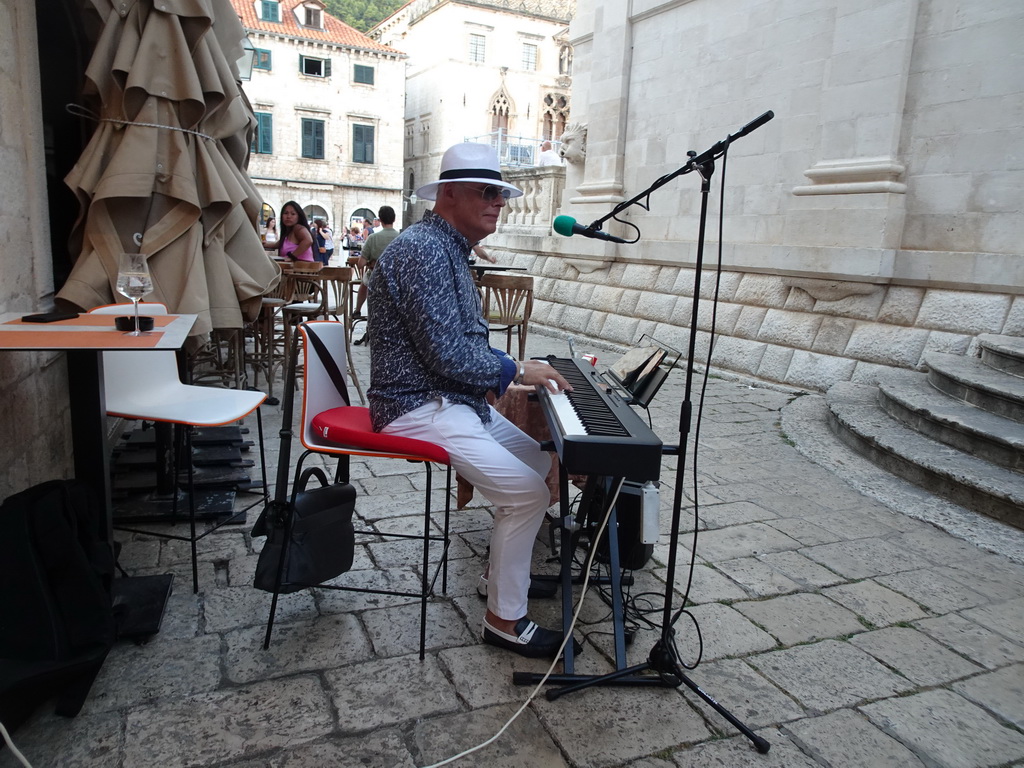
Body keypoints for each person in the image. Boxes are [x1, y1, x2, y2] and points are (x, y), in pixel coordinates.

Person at [366, 143, 577, 659]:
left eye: (500, 194)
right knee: (527, 492)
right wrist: (517, 369)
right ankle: (505, 620)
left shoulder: (446, 248)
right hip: (416, 405)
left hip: (448, 401)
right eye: (487, 192)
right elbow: (446, 355)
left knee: (542, 458)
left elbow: (458, 347)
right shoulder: (423, 250)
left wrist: (509, 373)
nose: (498, 203)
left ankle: (498, 576)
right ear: (449, 193)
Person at [353, 205, 399, 318]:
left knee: (364, 283)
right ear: (394, 219)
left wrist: (369, 263)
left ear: (380, 220)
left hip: (376, 277)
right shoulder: (400, 237)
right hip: (396, 278)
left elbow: (360, 264)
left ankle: (357, 310)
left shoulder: (373, 238)